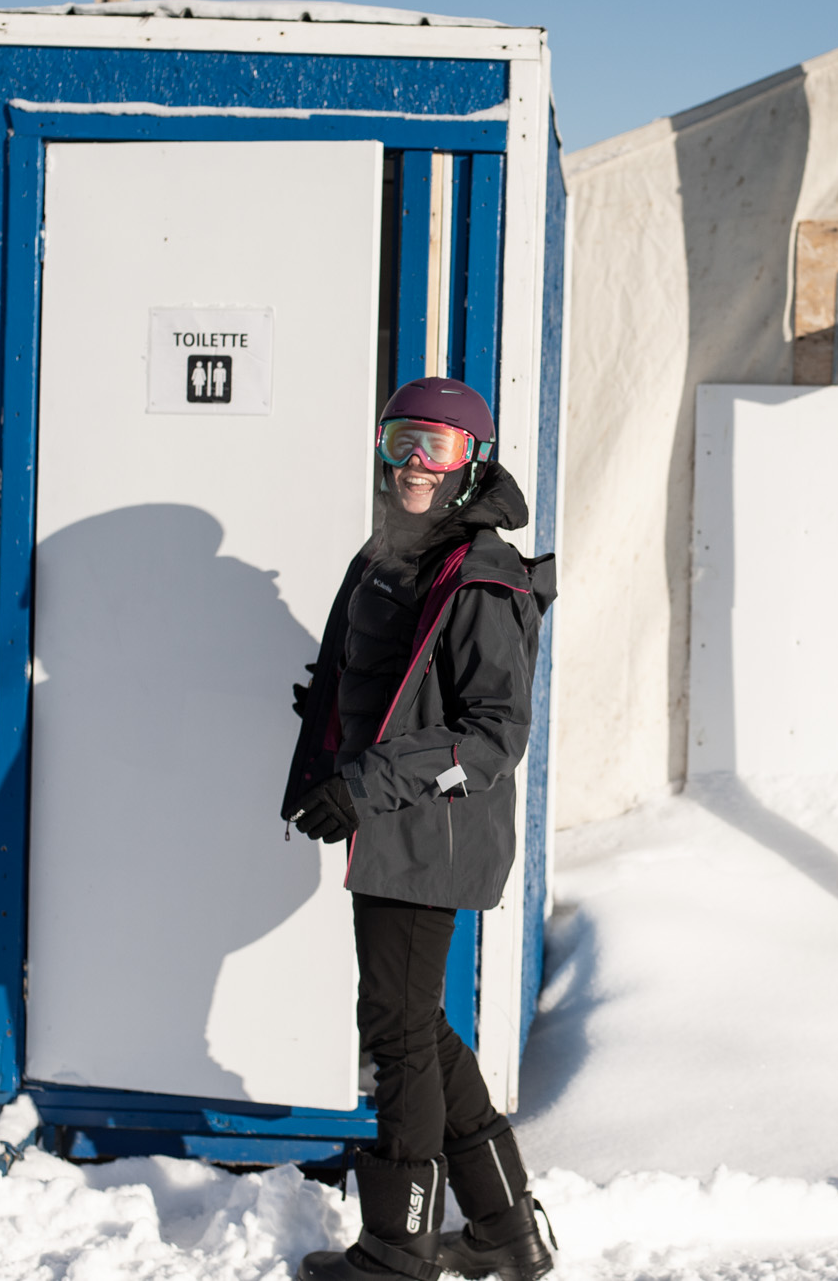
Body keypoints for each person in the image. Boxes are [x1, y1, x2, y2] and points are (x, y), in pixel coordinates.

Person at [282, 378, 557, 1281]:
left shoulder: (483, 576)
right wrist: (334, 714)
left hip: (428, 832)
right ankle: (504, 1228)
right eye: (400, 438)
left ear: (472, 463)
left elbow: (494, 733)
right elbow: (395, 677)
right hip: (395, 823)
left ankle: (397, 1249)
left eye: (436, 447)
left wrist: (364, 780)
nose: (413, 463)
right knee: (416, 1019)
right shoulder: (394, 552)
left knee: (396, 1031)